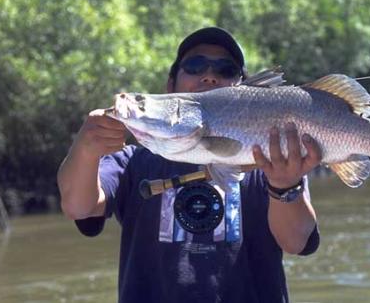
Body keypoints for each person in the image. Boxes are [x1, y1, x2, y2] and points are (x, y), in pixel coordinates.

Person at [57, 27, 322, 303]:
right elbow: (78, 206)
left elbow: (297, 242)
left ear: (244, 90)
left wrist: (283, 187)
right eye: (195, 66)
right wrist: (85, 148)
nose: (209, 75)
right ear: (170, 87)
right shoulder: (132, 163)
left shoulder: (269, 160)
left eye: (226, 69)